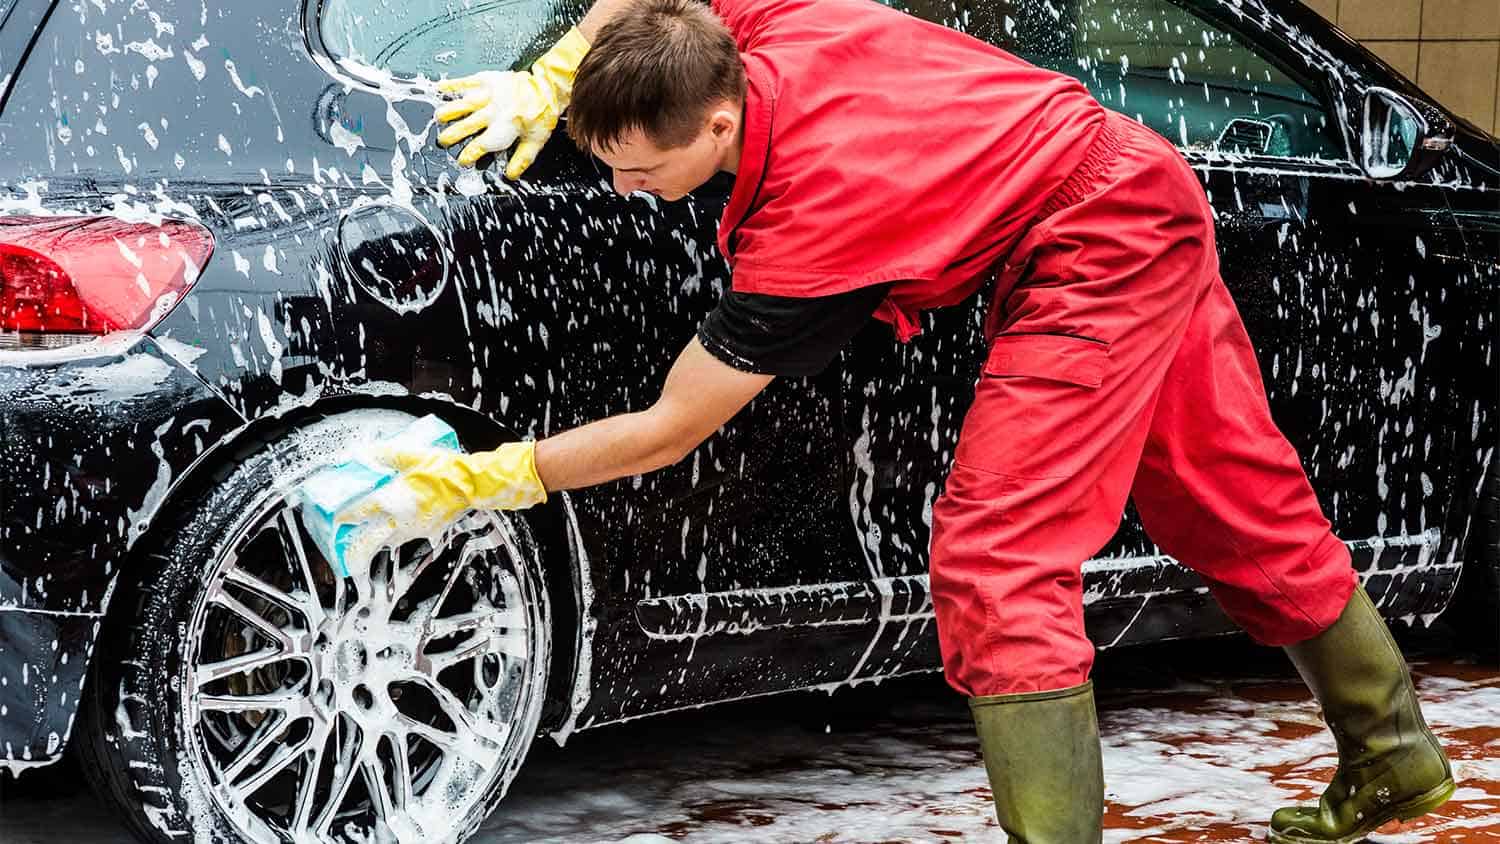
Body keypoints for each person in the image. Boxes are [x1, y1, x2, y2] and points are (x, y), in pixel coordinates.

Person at [338, 0, 1455, 840]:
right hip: (1125, 184)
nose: (628, 191)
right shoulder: (749, 30)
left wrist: (488, 477)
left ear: (718, 119)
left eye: (644, 169)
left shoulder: (813, 221)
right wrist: (557, 73)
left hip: (1096, 241)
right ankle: (1393, 752)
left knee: (999, 553)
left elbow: (672, 426)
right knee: (1226, 495)